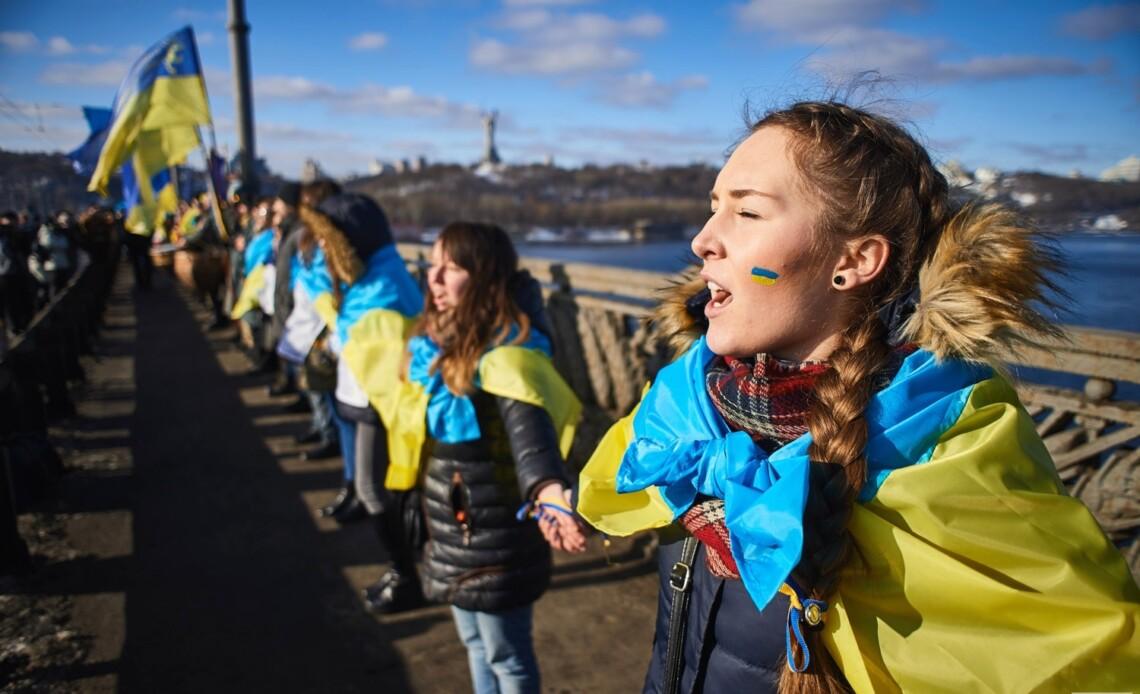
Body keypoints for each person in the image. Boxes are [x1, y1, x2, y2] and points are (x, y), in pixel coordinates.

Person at [576, 100, 1140, 693]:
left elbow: (1084, 660)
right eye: (713, 209)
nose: (701, 241)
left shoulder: (948, 449)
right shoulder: (687, 399)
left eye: (746, 212)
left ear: (854, 261)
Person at [386, 222, 585, 693]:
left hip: (495, 541)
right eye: (432, 265)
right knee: (475, 644)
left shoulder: (508, 356)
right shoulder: (435, 343)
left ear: (485, 278)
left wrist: (548, 492)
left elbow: (529, 433)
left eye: (450, 268)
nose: (432, 279)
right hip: (453, 534)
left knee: (506, 656)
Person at [298, 192, 426, 603]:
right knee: (378, 489)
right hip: (362, 398)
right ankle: (405, 569)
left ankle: (406, 574)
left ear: (348, 245)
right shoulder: (371, 283)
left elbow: (390, 373)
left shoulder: (382, 294)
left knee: (376, 489)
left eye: (326, 243)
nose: (321, 251)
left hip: (376, 405)